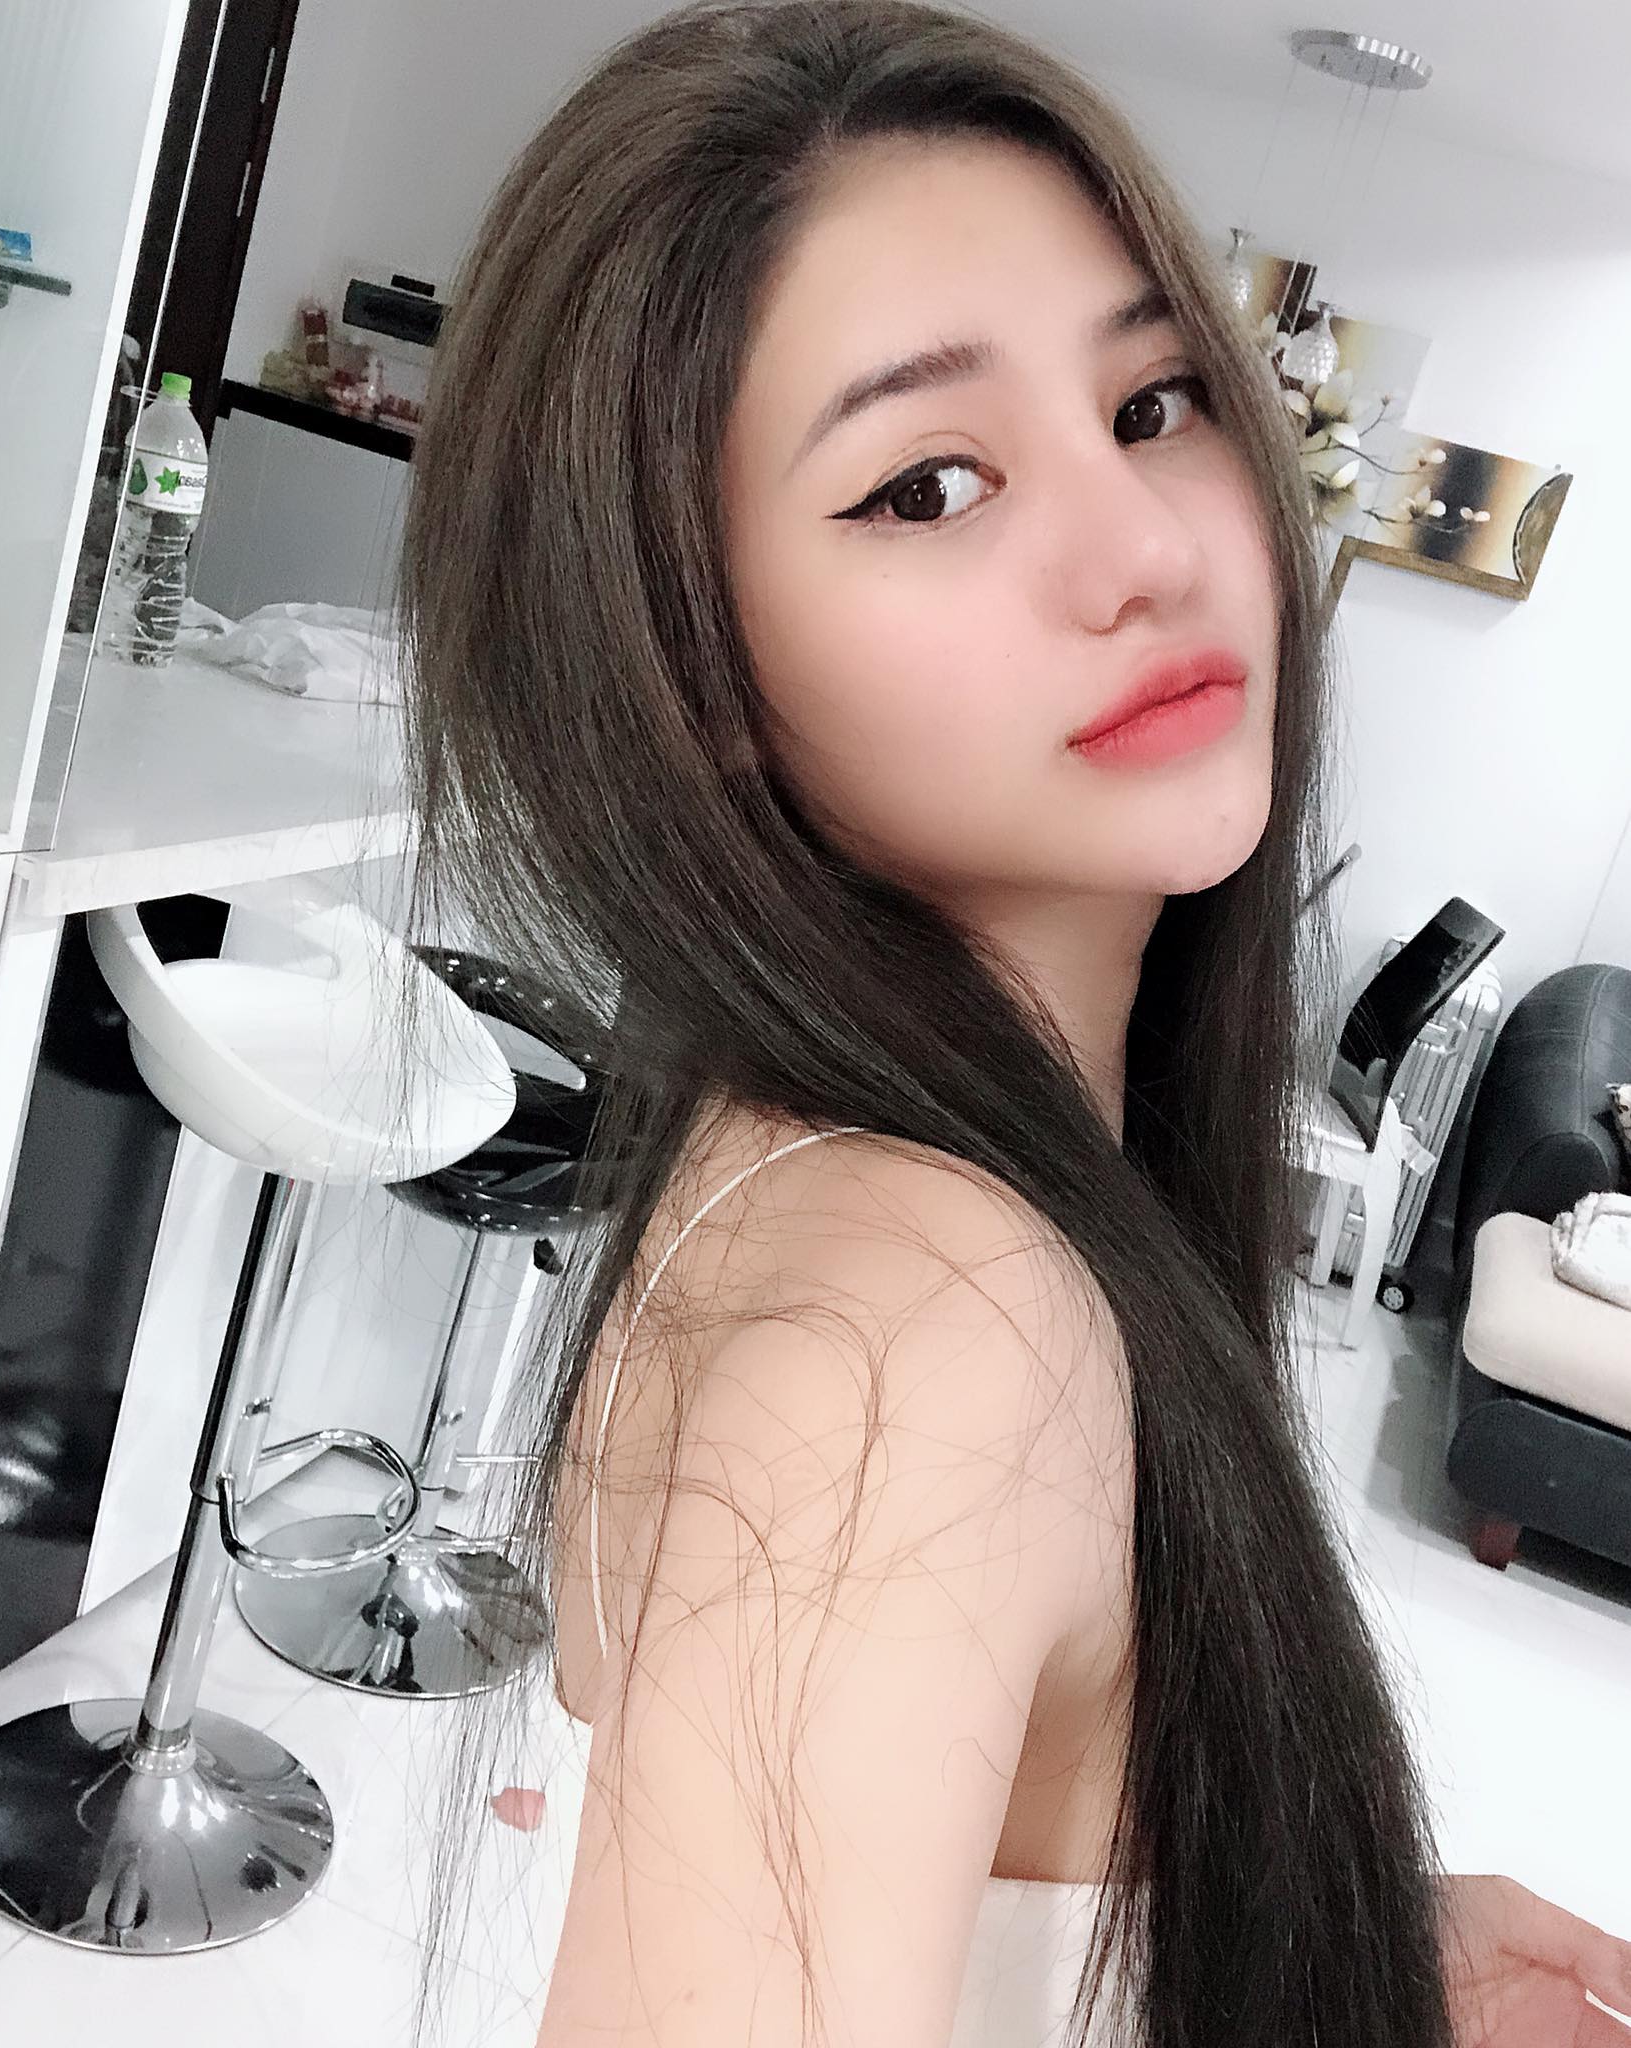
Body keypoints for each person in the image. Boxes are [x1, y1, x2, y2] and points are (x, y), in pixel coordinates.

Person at [395, 3, 1631, 2042]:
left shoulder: (818, 1153)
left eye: (1151, 403)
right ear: (694, 677)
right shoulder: (926, 1323)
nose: (1147, 548)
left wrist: (1306, 1950)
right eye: (928, 483)